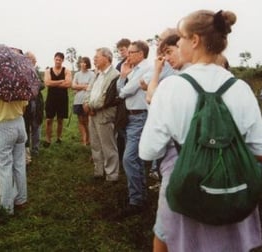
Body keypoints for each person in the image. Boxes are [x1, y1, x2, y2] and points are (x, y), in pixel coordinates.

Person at [139, 10, 262, 252]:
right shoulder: (241, 88)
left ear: (194, 40)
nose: (179, 43)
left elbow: (148, 151)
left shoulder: (171, 87)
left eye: (181, 38)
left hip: (184, 186)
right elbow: (258, 148)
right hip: (232, 188)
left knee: (168, 242)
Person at [116, 40, 153, 217]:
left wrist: (124, 83)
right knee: (135, 159)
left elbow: (126, 91)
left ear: (141, 53)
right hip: (130, 116)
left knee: (129, 158)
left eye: (131, 52)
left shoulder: (147, 68)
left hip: (140, 116)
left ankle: (137, 199)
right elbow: (120, 89)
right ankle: (139, 196)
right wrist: (123, 77)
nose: (127, 55)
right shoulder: (134, 70)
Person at [0, 93, 28, 214]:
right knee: (19, 164)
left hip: (2, 126)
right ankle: (21, 199)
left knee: (4, 167)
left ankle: (6, 206)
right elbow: (24, 108)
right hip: (19, 123)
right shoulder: (20, 85)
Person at [83, 47, 120, 182]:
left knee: (108, 145)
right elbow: (89, 90)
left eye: (97, 57)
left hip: (104, 114)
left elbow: (106, 97)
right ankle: (99, 171)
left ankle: (112, 175)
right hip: (93, 114)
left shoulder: (115, 75)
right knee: (95, 144)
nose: (94, 59)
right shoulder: (97, 74)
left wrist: (91, 106)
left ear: (106, 58)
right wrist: (86, 103)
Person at [44, 52, 72, 147]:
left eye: (60, 60)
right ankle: (48, 139)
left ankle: (59, 138)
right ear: (54, 59)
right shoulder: (48, 71)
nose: (58, 61)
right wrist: (61, 81)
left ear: (62, 61)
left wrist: (53, 83)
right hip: (51, 99)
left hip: (62, 99)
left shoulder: (66, 71)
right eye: (56, 59)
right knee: (49, 120)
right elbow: (47, 83)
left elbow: (68, 84)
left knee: (60, 120)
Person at [23, 51, 44, 163]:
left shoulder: (36, 71)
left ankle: (35, 149)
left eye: (35, 61)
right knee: (26, 127)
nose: (35, 63)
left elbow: (42, 84)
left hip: (36, 102)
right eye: (33, 60)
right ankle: (26, 151)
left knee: (36, 125)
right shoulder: (21, 71)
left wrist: (34, 86)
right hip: (26, 103)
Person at [71, 57, 95, 145]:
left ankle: (89, 139)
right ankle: (84, 140)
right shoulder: (77, 74)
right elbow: (73, 86)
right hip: (78, 100)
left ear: (88, 64)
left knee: (87, 121)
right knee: (80, 121)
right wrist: (84, 86)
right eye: (81, 62)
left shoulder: (92, 74)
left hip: (87, 100)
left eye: (85, 63)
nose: (83, 64)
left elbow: (90, 87)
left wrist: (78, 86)